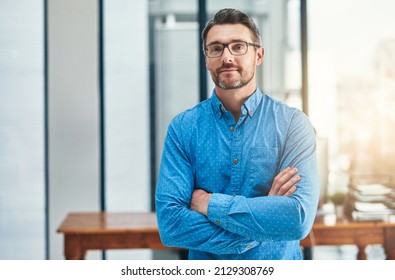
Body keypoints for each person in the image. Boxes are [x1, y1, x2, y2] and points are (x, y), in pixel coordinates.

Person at [155, 8, 320, 260]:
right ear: (206, 58)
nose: (227, 57)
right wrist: (262, 223)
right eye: (216, 48)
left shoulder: (292, 125)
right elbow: (171, 225)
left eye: (238, 47)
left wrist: (208, 203)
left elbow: (297, 219)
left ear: (259, 54)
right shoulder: (183, 128)